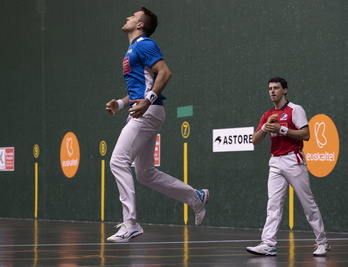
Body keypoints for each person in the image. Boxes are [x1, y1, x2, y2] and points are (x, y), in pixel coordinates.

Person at [105, 6, 209, 243]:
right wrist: (120, 104)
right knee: (145, 174)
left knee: (118, 161)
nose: (127, 16)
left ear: (140, 24)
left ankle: (130, 223)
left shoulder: (143, 44)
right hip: (144, 110)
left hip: (148, 112)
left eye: (132, 16)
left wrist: (148, 101)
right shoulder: (133, 48)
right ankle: (196, 197)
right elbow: (139, 90)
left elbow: (165, 73)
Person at [246, 77, 330, 257]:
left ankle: (322, 242)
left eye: (276, 88)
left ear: (285, 90)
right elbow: (254, 140)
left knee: (308, 204)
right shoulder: (267, 115)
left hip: (294, 160)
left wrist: (281, 129)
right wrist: (265, 128)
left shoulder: (295, 110)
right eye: (270, 88)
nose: (272, 91)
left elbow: (306, 135)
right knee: (273, 205)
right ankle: (268, 243)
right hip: (275, 162)